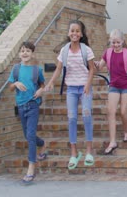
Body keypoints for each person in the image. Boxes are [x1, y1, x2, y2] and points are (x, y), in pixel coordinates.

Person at [44, 20, 95, 169]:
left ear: (81, 34)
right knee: (72, 118)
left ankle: (89, 151)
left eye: (77, 31)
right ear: (68, 33)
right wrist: (51, 82)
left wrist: (87, 85)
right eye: (72, 30)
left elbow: (92, 69)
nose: (74, 33)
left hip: (84, 88)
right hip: (71, 89)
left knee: (86, 115)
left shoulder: (86, 50)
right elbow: (58, 69)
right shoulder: (64, 50)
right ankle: (74, 153)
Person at [8, 41, 47, 184]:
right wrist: (16, 84)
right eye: (23, 50)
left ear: (32, 54)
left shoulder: (37, 70)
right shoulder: (16, 69)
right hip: (21, 106)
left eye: (28, 51)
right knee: (27, 135)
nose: (25, 53)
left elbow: (42, 84)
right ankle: (42, 143)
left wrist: (41, 90)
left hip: (33, 106)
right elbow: (11, 88)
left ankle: (31, 167)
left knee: (30, 135)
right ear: (19, 53)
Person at [95, 29, 127, 154]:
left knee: (123, 111)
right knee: (111, 111)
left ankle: (126, 132)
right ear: (110, 42)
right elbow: (100, 67)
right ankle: (112, 141)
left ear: (123, 42)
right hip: (113, 85)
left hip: (126, 85)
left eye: (118, 42)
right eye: (113, 42)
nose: (116, 45)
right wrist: (95, 63)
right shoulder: (107, 53)